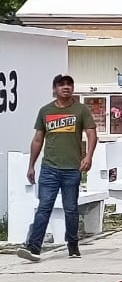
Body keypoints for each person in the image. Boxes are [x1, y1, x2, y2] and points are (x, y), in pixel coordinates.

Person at [15, 75, 98, 262]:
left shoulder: (81, 110)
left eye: (69, 84)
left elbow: (92, 134)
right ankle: (34, 247)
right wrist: (31, 166)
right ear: (54, 89)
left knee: (70, 209)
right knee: (44, 207)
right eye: (61, 85)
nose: (66, 87)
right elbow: (38, 139)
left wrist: (89, 156)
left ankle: (73, 244)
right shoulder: (45, 111)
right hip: (49, 169)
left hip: (72, 169)